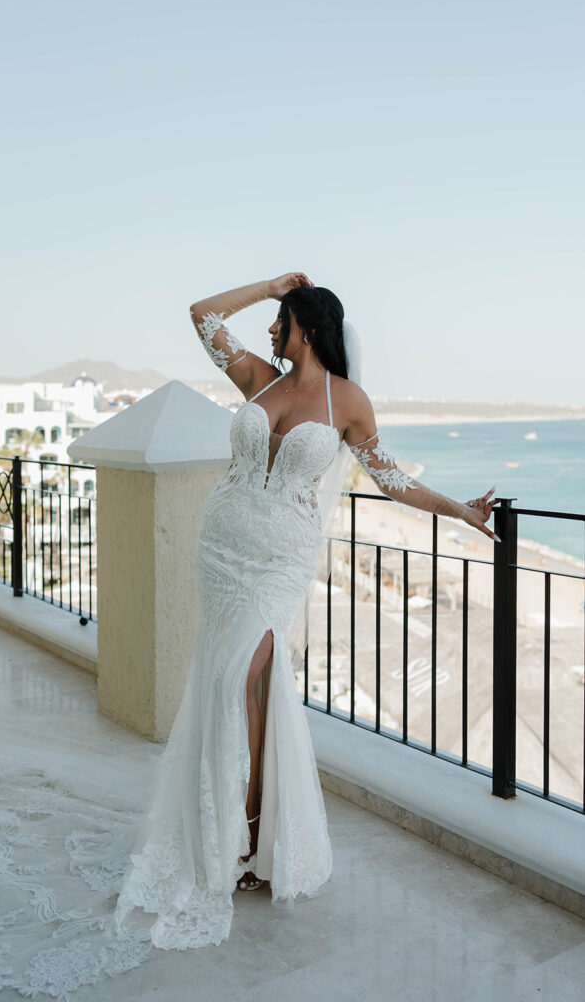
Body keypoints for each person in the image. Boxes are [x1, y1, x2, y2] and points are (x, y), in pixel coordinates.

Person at [112, 272, 497, 948]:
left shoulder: (347, 400)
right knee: (239, 689)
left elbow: (391, 479)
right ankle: (243, 844)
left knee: (237, 683)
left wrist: (461, 512)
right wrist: (271, 287)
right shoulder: (256, 377)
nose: (267, 330)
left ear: (308, 327)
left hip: (279, 562)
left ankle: (252, 835)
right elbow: (201, 314)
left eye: (280, 319)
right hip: (223, 545)